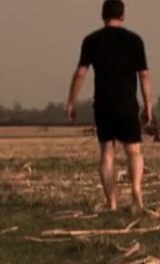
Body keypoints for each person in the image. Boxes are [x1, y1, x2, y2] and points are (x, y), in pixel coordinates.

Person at [66, 0, 154, 216]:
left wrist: (71, 101)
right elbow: (144, 75)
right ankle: (136, 195)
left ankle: (111, 202)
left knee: (107, 152)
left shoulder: (92, 40)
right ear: (122, 15)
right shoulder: (134, 41)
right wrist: (148, 105)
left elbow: (80, 73)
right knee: (133, 150)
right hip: (127, 104)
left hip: (104, 104)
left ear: (103, 15)